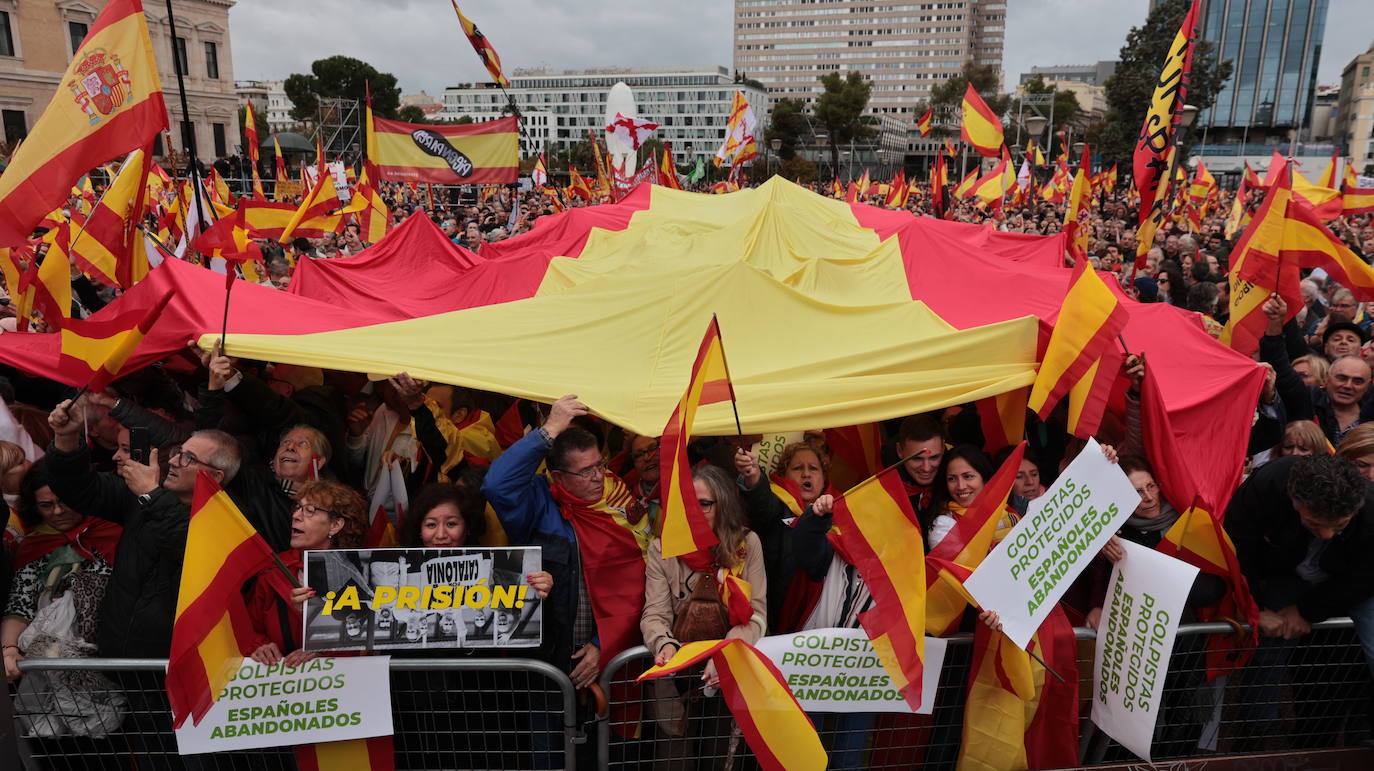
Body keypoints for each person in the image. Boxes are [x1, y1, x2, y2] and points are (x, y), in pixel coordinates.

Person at [482, 394, 650, 767]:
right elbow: (495, 485)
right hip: (549, 668)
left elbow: (641, 584)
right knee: (552, 759)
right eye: (586, 471)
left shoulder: (619, 503)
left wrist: (600, 645)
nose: (599, 478)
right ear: (557, 476)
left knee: (613, 758)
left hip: (611, 662)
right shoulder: (537, 503)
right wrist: (549, 430)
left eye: (600, 465)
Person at [640, 465, 766, 769]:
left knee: (718, 758)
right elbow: (653, 613)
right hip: (676, 673)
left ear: (723, 504)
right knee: (673, 759)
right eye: (688, 503)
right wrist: (663, 645)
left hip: (727, 675)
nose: (695, 512)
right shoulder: (663, 548)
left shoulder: (746, 545)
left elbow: (757, 616)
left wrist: (725, 655)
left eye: (705, 504)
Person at [3, 462, 122, 680]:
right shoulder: (33, 545)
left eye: (65, 502)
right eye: (46, 505)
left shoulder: (114, 535)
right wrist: (9, 649)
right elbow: (20, 605)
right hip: (47, 658)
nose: (58, 511)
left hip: (108, 657)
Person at [246, 480, 369, 666]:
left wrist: (324, 656)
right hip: (280, 685)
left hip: (338, 687)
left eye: (310, 510)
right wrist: (261, 647)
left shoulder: (361, 576)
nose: (296, 515)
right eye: (297, 507)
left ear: (335, 525)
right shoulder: (271, 571)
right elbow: (248, 631)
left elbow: (366, 641)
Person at [733, 440, 834, 632]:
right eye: (797, 468)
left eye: (813, 468)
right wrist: (753, 475)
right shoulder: (777, 505)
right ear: (784, 474)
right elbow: (760, 501)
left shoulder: (842, 509)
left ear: (824, 477)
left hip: (826, 619)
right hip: (779, 619)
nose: (806, 473)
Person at [926, 445, 999, 548]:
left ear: (985, 479)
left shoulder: (1003, 509)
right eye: (952, 479)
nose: (961, 486)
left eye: (968, 476)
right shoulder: (942, 524)